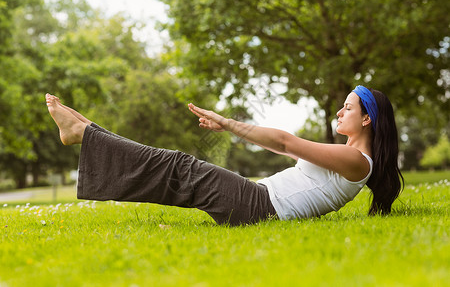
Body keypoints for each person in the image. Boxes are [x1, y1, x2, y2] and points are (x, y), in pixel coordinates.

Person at [45, 85, 403, 226]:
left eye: (347, 108)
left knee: (178, 166)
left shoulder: (359, 162)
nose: (339, 113)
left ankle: (86, 135)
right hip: (258, 199)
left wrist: (228, 123)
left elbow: (284, 142)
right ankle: (90, 134)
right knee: (176, 169)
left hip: (260, 206)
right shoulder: (350, 156)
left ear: (367, 119)